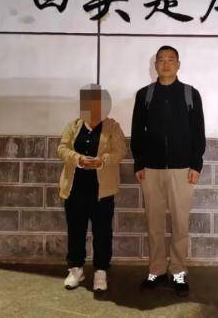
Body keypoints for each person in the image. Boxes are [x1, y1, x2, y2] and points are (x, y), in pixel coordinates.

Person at [130, 45, 206, 296]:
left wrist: (196, 165)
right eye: (161, 60)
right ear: (155, 66)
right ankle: (156, 270)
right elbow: (137, 131)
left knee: (180, 223)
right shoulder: (145, 95)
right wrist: (139, 163)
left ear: (178, 64)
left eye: (170, 60)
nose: (165, 64)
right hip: (151, 170)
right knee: (154, 223)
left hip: (182, 169)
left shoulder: (190, 94)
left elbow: (198, 132)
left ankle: (179, 272)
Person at [57, 85, 126, 292]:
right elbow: (62, 148)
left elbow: (120, 151)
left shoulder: (112, 127)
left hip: (102, 191)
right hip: (75, 189)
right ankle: (76, 269)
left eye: (97, 104)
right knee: (75, 230)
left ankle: (101, 272)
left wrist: (102, 161)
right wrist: (78, 159)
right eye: (88, 103)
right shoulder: (73, 126)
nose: (92, 108)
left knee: (102, 232)